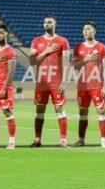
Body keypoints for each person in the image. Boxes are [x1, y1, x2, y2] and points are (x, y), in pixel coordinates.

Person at [29, 16, 70, 148]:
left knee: (59, 108)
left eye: (50, 22)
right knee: (40, 109)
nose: (47, 24)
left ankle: (63, 140)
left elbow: (66, 62)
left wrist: (64, 81)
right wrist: (46, 51)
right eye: (45, 22)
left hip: (56, 81)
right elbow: (32, 61)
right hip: (41, 81)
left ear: (55, 24)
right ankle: (37, 139)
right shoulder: (37, 41)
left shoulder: (62, 41)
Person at [72, 21, 105, 148]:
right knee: (83, 113)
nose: (85, 31)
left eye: (88, 29)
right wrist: (86, 59)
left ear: (94, 31)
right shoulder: (78, 48)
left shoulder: (102, 47)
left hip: (97, 86)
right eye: (84, 29)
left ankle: (104, 140)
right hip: (82, 86)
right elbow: (75, 66)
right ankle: (81, 140)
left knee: (101, 111)